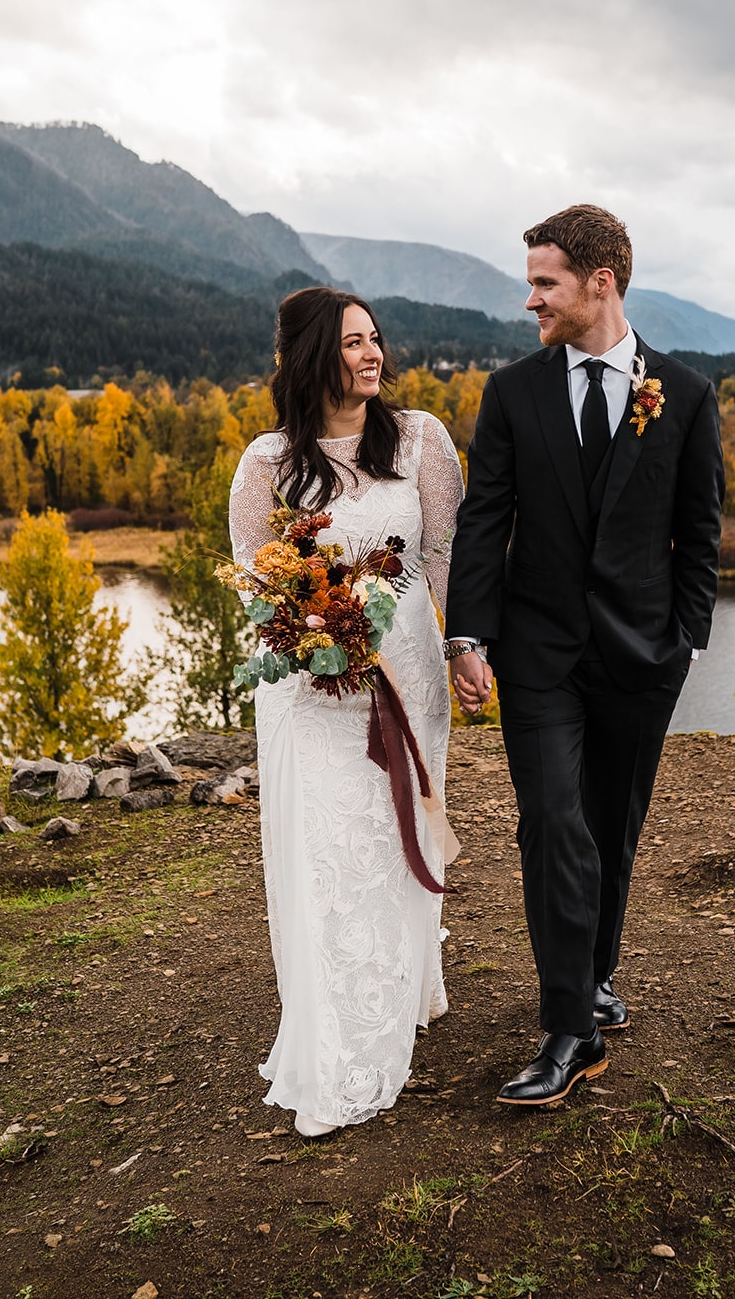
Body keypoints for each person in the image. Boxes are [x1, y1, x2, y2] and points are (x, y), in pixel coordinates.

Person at [445, 205, 723, 1106]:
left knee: (611, 829)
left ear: (599, 283)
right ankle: (569, 1028)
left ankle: (595, 975)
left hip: (643, 658)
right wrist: (467, 634)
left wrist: (683, 641)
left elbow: (700, 532)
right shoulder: (512, 393)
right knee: (552, 823)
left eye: (544, 283)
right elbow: (484, 521)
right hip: (538, 657)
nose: (530, 301)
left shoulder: (682, 394)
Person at [229, 287, 464, 1136]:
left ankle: (402, 985)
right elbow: (257, 589)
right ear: (310, 356)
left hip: (404, 678)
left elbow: (441, 561)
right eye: (352, 342)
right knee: (329, 852)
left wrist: (463, 647)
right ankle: (338, 1038)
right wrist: (310, 632)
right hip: (312, 695)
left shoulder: (421, 441)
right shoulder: (267, 464)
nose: (372, 355)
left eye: (375, 339)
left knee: (393, 843)